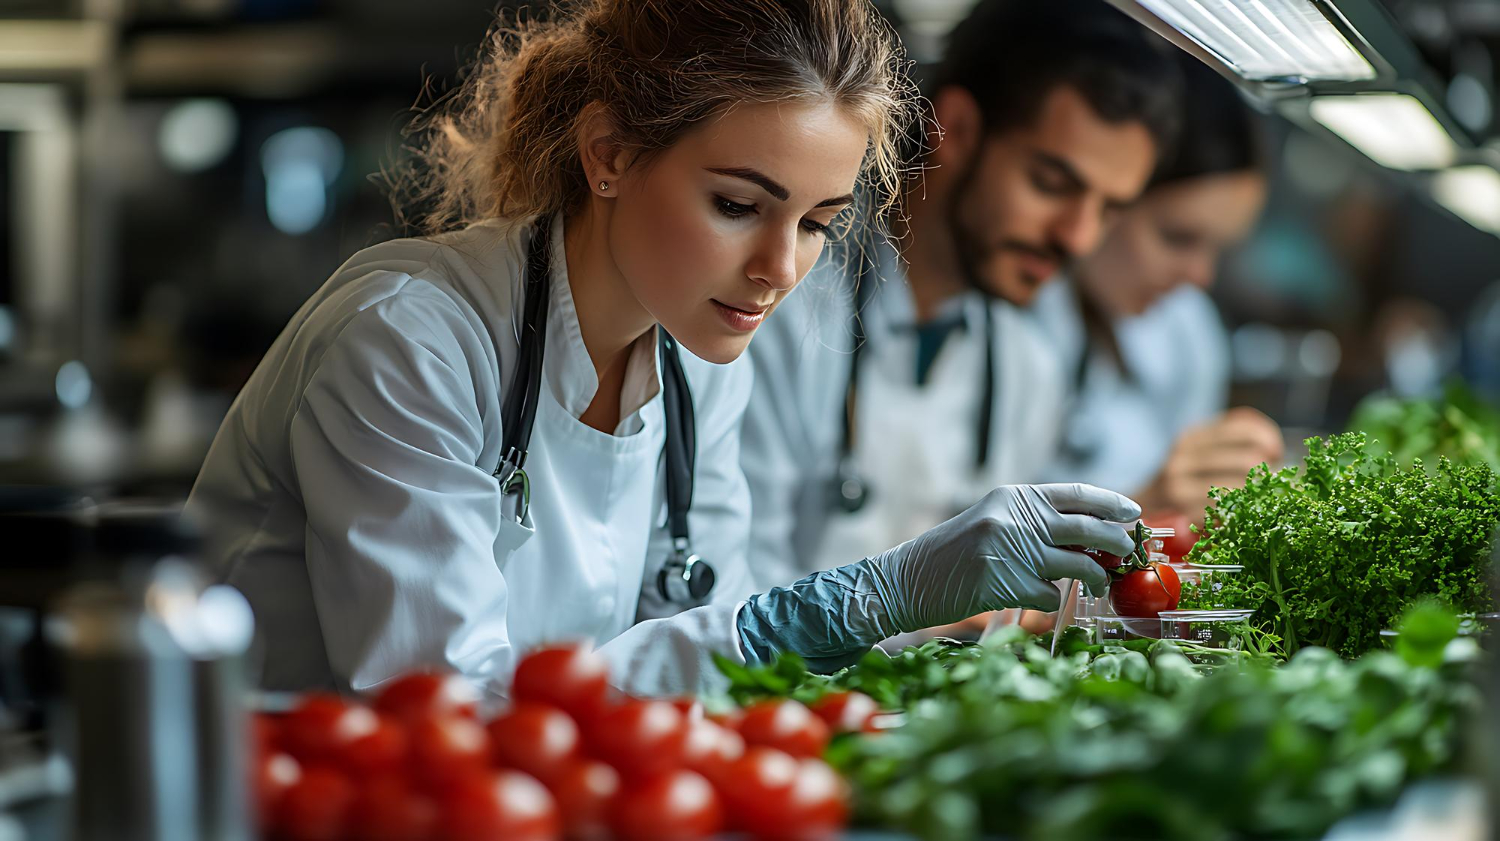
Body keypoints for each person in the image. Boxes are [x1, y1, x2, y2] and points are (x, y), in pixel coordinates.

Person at [185, 0, 1142, 699]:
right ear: (607, 155)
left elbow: (702, 664)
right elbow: (446, 705)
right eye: (737, 205)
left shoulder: (697, 363)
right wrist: (864, 600)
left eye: (817, 222)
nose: (778, 267)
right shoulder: (409, 340)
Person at [738, 0, 1182, 594]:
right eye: (1051, 184)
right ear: (960, 129)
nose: (1077, 236)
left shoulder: (1029, 367)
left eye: (1108, 209)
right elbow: (739, 602)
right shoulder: (773, 304)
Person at [1035, 53, 1282, 522]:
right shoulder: (1018, 312)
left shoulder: (1186, 328)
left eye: (1218, 249)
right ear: (1112, 195)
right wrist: (1147, 500)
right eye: (1178, 237)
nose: (1200, 276)